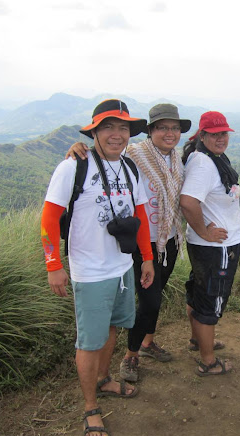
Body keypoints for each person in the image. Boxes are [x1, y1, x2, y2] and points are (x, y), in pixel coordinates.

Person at [41, 99, 154, 436]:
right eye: (108, 127)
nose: (116, 135)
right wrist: (53, 265)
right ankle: (91, 407)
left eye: (122, 128)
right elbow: (48, 218)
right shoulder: (74, 167)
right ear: (94, 132)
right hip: (89, 272)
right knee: (89, 341)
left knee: (112, 327)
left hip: (122, 266)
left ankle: (105, 380)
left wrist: (146, 258)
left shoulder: (130, 168)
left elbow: (140, 216)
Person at [66, 103, 190, 383]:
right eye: (162, 128)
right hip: (139, 243)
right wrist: (78, 147)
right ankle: (130, 356)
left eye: (174, 128)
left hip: (168, 240)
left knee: (153, 301)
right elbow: (106, 155)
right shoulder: (134, 154)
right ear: (150, 131)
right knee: (150, 301)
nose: (169, 133)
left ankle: (146, 343)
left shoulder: (177, 159)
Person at [179, 111, 240, 376]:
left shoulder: (206, 157)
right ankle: (208, 361)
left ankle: (199, 340)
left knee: (199, 292)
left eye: (224, 133)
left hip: (207, 247)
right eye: (215, 134)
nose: (221, 138)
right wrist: (205, 231)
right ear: (202, 135)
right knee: (211, 300)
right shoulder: (205, 164)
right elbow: (187, 202)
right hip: (216, 248)